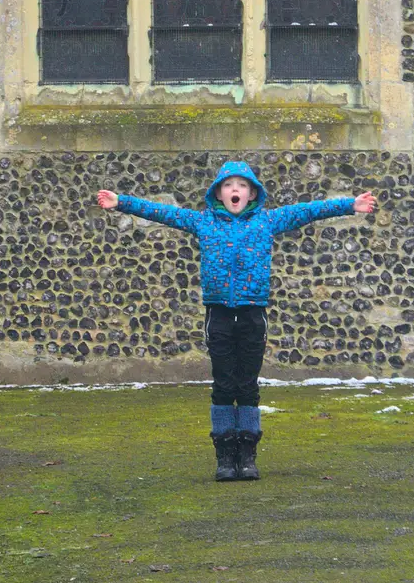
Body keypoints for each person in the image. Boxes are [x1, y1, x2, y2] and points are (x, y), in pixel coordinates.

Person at [96, 161, 376, 482]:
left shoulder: (267, 221)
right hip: (218, 314)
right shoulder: (203, 222)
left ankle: (247, 455)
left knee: (247, 386)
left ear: (252, 193)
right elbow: (163, 212)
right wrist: (122, 203)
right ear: (218, 192)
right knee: (223, 384)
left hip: (253, 314)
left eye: (242, 186)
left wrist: (349, 205)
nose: (235, 191)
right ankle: (225, 456)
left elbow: (309, 210)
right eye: (229, 185)